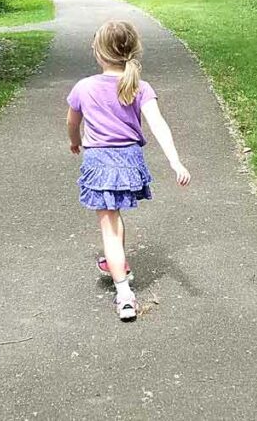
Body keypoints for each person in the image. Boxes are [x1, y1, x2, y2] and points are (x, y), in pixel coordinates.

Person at [66, 20, 191, 321]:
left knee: (108, 228)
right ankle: (114, 264)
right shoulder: (140, 86)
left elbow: (72, 122)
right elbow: (158, 124)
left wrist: (74, 143)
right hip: (129, 161)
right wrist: (175, 161)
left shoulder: (84, 87)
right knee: (115, 219)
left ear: (98, 52)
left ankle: (124, 294)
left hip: (99, 162)